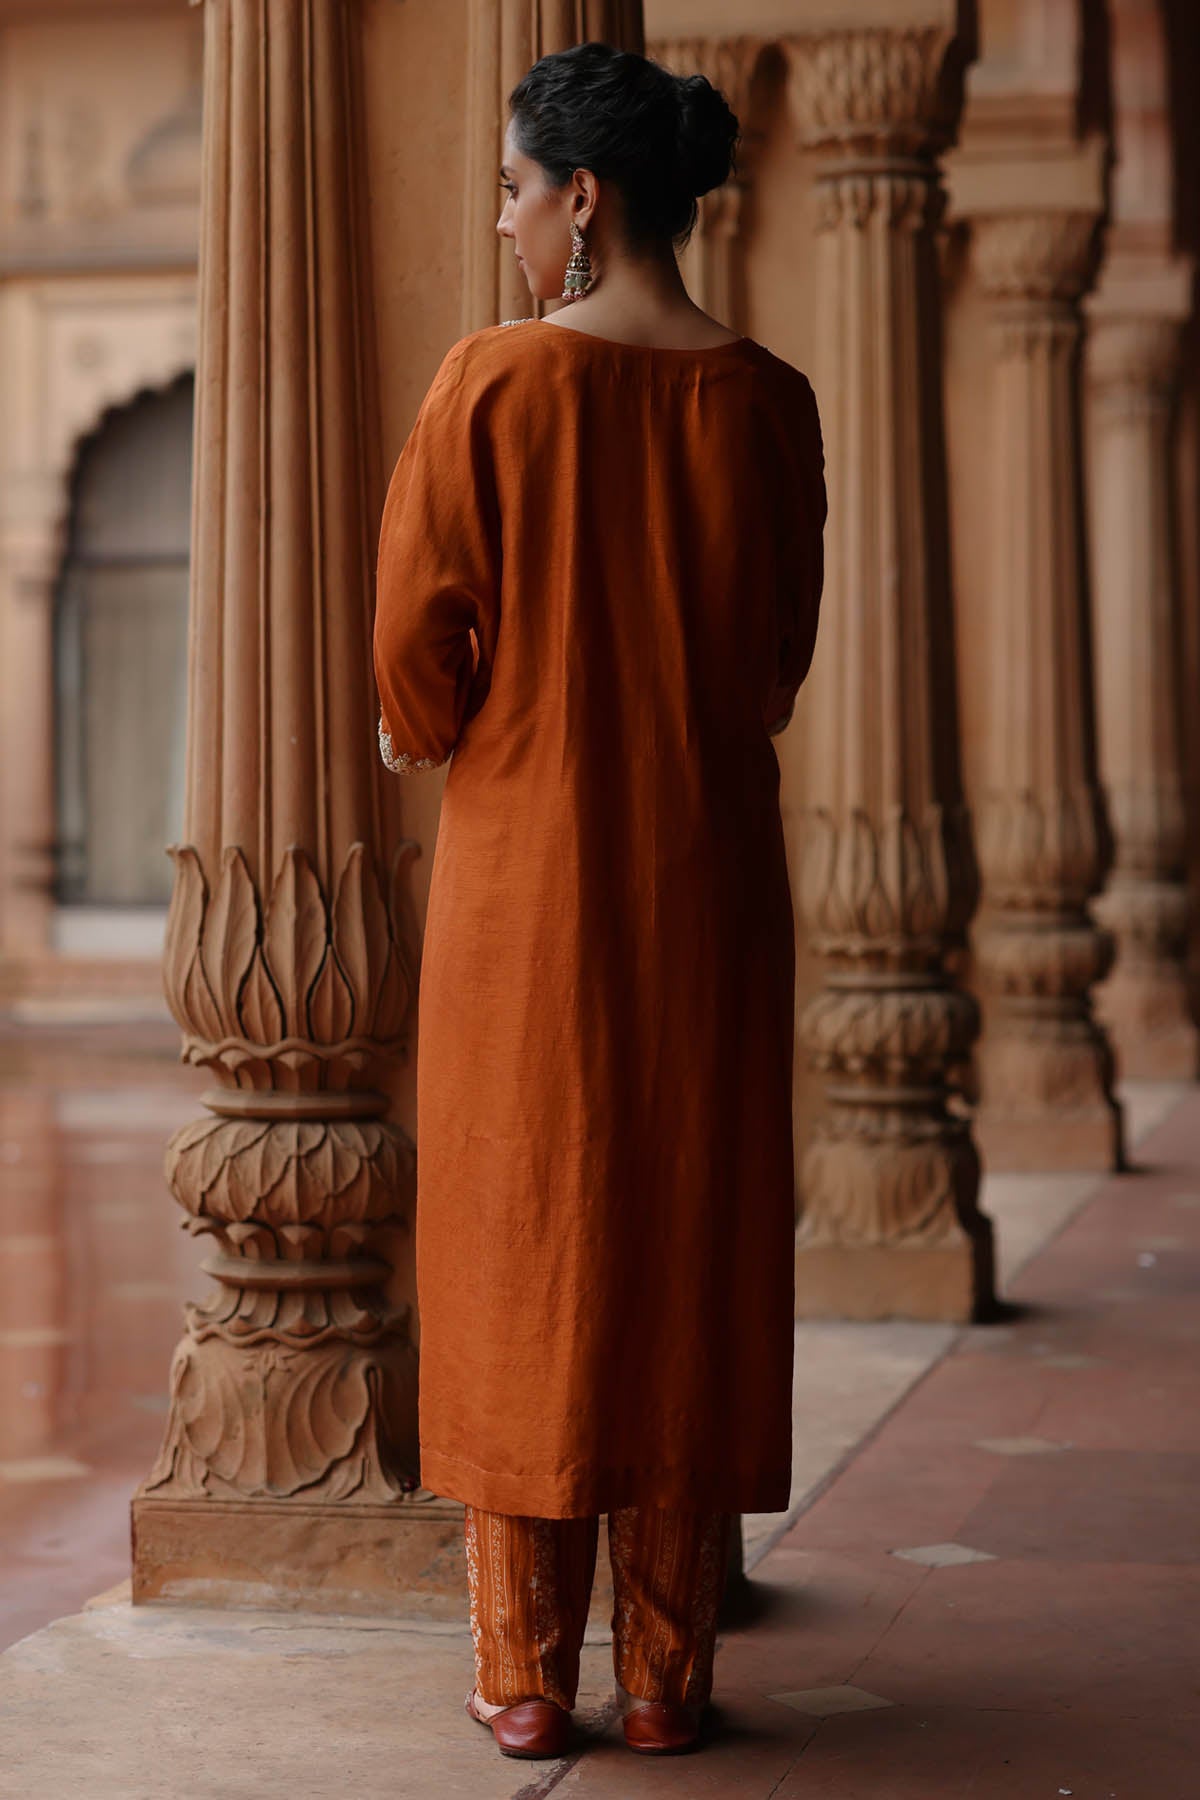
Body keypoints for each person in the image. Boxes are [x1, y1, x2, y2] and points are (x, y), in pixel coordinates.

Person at [373, 40, 826, 1763]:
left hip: (529, 887)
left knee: (525, 1234)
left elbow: (416, 641)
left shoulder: (493, 387)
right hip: (705, 878)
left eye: (511, 188)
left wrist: (447, 729)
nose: (501, 223)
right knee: (686, 1233)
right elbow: (774, 666)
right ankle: (666, 1677)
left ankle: (523, 1674)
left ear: (583, 196)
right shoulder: (766, 402)